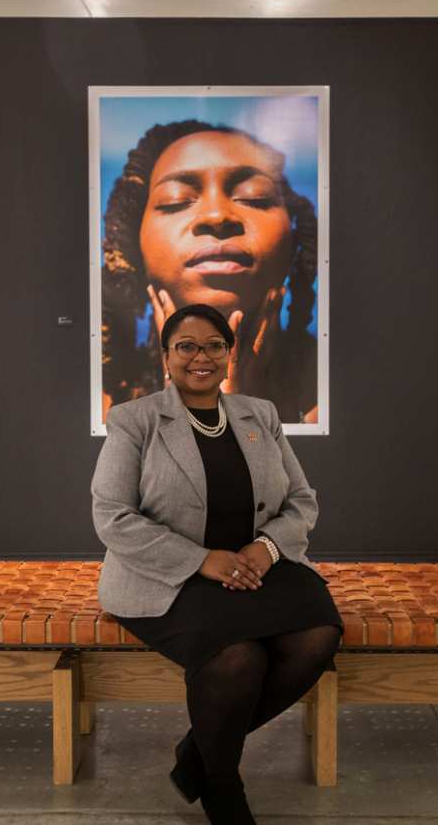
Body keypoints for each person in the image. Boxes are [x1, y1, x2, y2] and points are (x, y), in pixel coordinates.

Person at [92, 303, 342, 825]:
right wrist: (200, 560)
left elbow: (302, 500)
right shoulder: (134, 420)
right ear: (166, 357)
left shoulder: (261, 414)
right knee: (237, 658)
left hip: (258, 568)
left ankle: (196, 755)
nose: (200, 356)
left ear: (229, 354)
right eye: (186, 346)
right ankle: (222, 785)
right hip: (169, 578)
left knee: (318, 635)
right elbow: (112, 516)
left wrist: (268, 547)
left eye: (213, 345)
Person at [101, 120, 319, 425]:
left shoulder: (341, 395)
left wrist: (243, 407)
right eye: (174, 201)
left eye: (254, 197)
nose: (217, 216)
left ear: (296, 240)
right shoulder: (105, 410)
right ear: (132, 247)